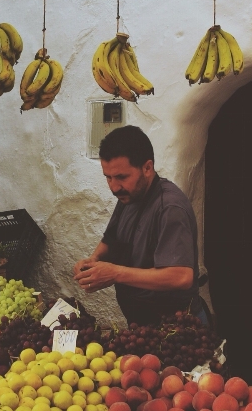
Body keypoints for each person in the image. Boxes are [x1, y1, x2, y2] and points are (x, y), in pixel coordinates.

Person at [73, 126, 208, 326]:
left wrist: (114, 273)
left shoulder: (170, 207)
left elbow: (181, 276)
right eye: (108, 177)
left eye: (121, 177)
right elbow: (111, 240)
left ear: (147, 168)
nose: (114, 187)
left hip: (177, 328)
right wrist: (93, 263)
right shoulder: (128, 196)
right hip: (142, 324)